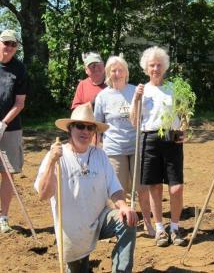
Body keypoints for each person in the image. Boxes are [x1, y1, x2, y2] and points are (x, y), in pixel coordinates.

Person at [35, 103, 137, 273]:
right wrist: (52, 161)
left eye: (90, 128)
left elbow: (115, 188)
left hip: (100, 219)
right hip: (73, 231)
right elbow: (43, 195)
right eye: (81, 126)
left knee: (128, 220)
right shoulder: (57, 156)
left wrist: (124, 206)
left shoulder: (100, 155)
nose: (86, 131)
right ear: (70, 129)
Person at [94, 55, 155, 236]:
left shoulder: (136, 91)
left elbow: (146, 118)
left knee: (143, 189)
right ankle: (120, 227)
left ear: (126, 73)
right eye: (113, 70)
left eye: (121, 70)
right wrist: (95, 149)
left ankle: (148, 223)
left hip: (136, 146)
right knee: (118, 190)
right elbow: (97, 126)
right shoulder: (102, 96)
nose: (117, 73)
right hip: (114, 148)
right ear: (108, 73)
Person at [130, 46, 185, 247]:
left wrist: (183, 131)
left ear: (165, 67)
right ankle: (160, 229)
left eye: (159, 65)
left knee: (176, 187)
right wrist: (136, 99)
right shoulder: (142, 90)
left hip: (171, 138)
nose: (155, 68)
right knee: (154, 186)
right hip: (149, 138)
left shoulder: (174, 89)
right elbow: (134, 122)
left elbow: (183, 115)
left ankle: (176, 228)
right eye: (152, 65)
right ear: (146, 68)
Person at [0, 29, 28, 233]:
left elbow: (19, 103)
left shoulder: (19, 69)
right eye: (6, 43)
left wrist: (3, 124)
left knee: (7, 173)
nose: (9, 47)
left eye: (13, 44)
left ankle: (3, 217)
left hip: (10, 129)